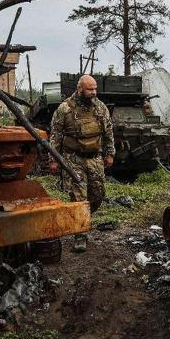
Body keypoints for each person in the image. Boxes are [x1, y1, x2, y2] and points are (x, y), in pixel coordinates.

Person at [49, 74, 114, 252]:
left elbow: (108, 133)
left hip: (95, 158)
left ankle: (80, 218)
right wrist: (53, 160)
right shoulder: (65, 109)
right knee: (79, 197)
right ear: (79, 89)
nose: (93, 92)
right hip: (73, 159)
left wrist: (110, 154)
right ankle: (80, 234)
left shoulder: (101, 108)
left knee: (97, 195)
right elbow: (55, 136)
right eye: (89, 89)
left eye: (95, 88)